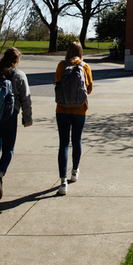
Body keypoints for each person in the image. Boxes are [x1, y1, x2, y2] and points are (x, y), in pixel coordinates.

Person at [0, 46, 32, 199]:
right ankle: (0, 175)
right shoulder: (19, 76)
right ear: (16, 60)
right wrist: (27, 118)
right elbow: (26, 99)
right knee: (8, 149)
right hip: (9, 117)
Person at [54, 41, 92, 196]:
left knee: (63, 143)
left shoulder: (61, 65)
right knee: (77, 140)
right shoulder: (85, 66)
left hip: (62, 109)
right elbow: (89, 89)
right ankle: (75, 171)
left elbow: (57, 83)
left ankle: (63, 181)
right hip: (80, 110)